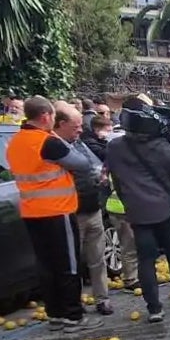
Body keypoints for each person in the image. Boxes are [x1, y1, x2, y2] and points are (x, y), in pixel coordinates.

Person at [6, 96, 100, 332]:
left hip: (31, 212)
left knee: (46, 265)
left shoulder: (16, 141)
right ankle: (73, 315)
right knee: (67, 264)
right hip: (57, 211)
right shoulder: (48, 142)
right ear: (46, 116)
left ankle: (55, 314)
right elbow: (81, 163)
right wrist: (60, 141)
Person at [104, 97, 170, 323]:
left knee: (145, 259)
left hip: (136, 211)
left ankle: (154, 309)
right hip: (162, 208)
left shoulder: (114, 146)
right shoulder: (158, 147)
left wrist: (127, 203)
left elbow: (115, 179)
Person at [53, 104, 112, 316]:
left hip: (92, 207)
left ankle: (102, 299)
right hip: (71, 212)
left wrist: (100, 176)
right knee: (73, 263)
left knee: (97, 258)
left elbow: (93, 165)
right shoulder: (54, 146)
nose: (80, 129)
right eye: (76, 126)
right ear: (61, 124)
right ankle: (76, 302)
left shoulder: (79, 144)